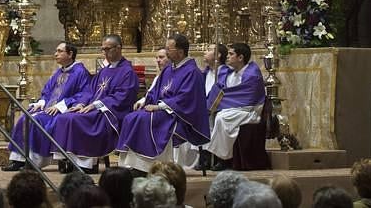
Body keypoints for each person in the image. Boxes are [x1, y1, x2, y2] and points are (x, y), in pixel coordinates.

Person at [117, 33, 210, 172]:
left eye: (169, 49)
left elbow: (186, 99)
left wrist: (159, 106)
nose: (166, 52)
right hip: (162, 110)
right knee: (131, 117)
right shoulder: (169, 69)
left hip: (179, 115)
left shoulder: (192, 72)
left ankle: (149, 167)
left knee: (142, 119)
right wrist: (146, 101)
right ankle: (133, 164)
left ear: (180, 51)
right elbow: (156, 91)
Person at [49, 34, 138, 171]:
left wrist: (95, 105)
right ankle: (73, 162)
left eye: (108, 49)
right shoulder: (104, 71)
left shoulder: (127, 72)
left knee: (79, 120)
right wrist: (81, 103)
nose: (105, 53)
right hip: (93, 109)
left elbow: (123, 97)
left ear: (119, 48)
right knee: (64, 117)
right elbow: (89, 91)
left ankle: (88, 165)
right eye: (103, 49)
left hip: (111, 113)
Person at [3, 41, 91, 171]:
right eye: (56, 51)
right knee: (24, 117)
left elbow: (84, 94)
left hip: (63, 111)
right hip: (48, 109)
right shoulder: (58, 72)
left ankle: (33, 161)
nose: (55, 54)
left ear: (70, 54)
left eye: (60, 51)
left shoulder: (80, 72)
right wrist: (41, 102)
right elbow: (47, 92)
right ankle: (18, 159)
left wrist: (61, 105)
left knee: (37, 121)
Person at [205, 42, 266, 169]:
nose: (227, 56)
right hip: (234, 109)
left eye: (231, 54)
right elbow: (220, 90)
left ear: (240, 57)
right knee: (217, 116)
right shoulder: (230, 73)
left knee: (222, 118)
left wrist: (223, 102)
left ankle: (223, 160)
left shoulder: (252, 74)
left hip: (250, 111)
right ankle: (211, 157)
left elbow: (248, 97)